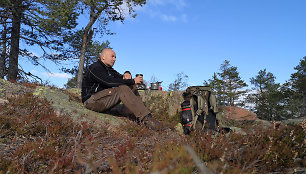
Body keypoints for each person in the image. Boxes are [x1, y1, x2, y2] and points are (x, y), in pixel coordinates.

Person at [81, 48, 162, 130]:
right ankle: (146, 119)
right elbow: (109, 82)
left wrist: (127, 74)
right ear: (103, 57)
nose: (114, 59)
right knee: (122, 88)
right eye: (112, 56)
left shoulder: (109, 69)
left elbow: (122, 78)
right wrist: (132, 80)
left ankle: (139, 113)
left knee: (131, 85)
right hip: (92, 101)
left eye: (115, 57)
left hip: (103, 99)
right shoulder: (95, 68)